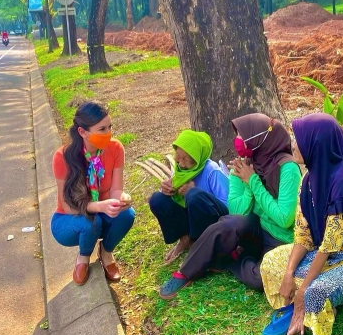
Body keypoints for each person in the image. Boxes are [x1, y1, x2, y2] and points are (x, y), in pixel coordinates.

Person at [260, 113, 343, 335]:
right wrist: (288, 275)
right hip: (326, 251)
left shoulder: (342, 183)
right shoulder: (308, 179)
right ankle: (306, 300)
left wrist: (301, 294)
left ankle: (309, 307)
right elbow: (303, 234)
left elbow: (329, 245)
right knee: (271, 262)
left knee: (314, 293)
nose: (294, 145)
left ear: (316, 144)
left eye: (300, 139)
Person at [159, 113, 301, 298]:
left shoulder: (287, 168)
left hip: (280, 237)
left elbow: (284, 219)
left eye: (243, 136)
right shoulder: (243, 166)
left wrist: (253, 182)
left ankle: (230, 259)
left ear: (258, 138)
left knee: (259, 280)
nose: (238, 141)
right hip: (256, 229)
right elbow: (235, 211)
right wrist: (249, 185)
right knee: (229, 223)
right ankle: (185, 273)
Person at [51, 102, 135, 285]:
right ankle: (83, 257)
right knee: (91, 221)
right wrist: (98, 206)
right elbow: (67, 204)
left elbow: (116, 189)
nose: (108, 133)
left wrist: (122, 198)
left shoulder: (115, 148)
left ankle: (106, 253)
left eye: (110, 127)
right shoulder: (63, 157)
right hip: (69, 218)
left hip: (101, 213)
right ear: (83, 132)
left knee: (127, 214)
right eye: (102, 129)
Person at [149, 129, 230, 264]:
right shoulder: (182, 170)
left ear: (197, 158)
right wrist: (167, 190)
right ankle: (185, 238)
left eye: (186, 159)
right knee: (157, 199)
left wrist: (195, 192)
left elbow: (228, 206)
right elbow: (175, 198)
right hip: (192, 219)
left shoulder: (212, 171)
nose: (180, 163)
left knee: (194, 195)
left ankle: (200, 244)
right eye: (178, 157)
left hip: (213, 222)